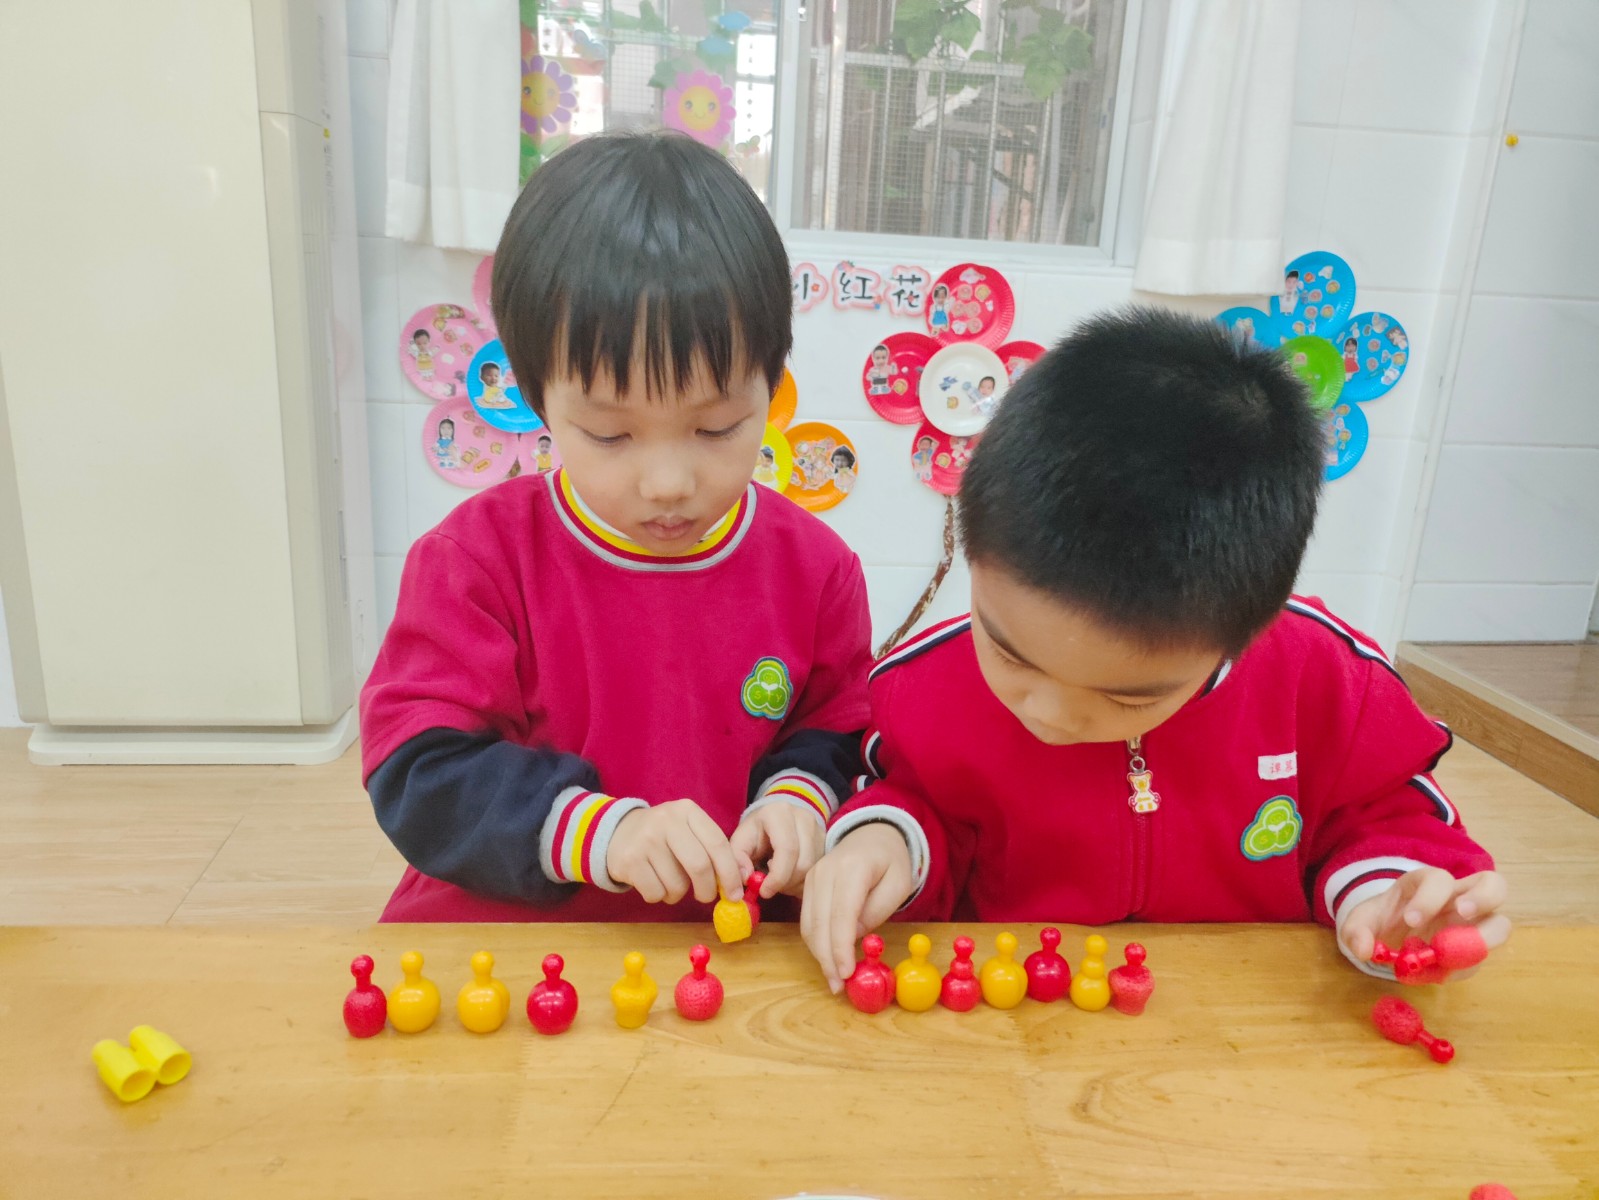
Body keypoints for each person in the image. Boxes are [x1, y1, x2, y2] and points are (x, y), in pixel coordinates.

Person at [800, 308, 1507, 990]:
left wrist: (1387, 900)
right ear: (975, 558)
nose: (1050, 713)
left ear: (1242, 631)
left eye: (1126, 696)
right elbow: (915, 797)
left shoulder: (1323, 681)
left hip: (1244, 1022)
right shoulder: (927, 685)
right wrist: (886, 840)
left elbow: (1382, 817)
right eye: (1011, 655)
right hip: (1019, 1016)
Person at [362, 132, 873, 923]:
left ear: (770, 385)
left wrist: (798, 798)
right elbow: (417, 773)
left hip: (720, 951)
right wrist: (601, 832)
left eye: (716, 428)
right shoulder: (475, 560)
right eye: (609, 434)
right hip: (514, 948)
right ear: (537, 398)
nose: (667, 483)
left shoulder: (816, 570)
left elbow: (838, 729)